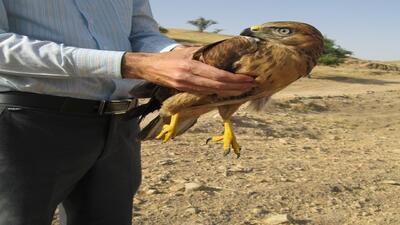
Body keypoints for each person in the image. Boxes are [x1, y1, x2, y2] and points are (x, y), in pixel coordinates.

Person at [0, 1, 254, 225]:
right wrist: (128, 64)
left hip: (121, 122)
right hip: (26, 121)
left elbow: (141, 32)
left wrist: (177, 54)